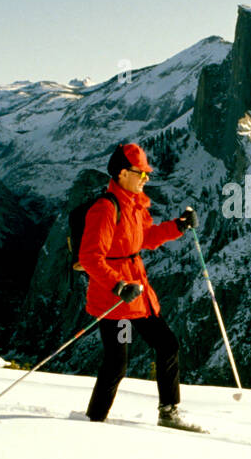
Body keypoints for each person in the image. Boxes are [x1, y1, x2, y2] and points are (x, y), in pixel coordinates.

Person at [79, 143, 200, 429]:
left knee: (167, 344)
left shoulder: (134, 205)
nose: (146, 179)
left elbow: (145, 238)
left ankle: (168, 412)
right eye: (140, 173)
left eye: (147, 174)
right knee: (116, 364)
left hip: (137, 294)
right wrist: (117, 285)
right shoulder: (106, 209)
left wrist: (178, 226)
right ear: (122, 174)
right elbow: (89, 257)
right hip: (116, 301)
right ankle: (93, 420)